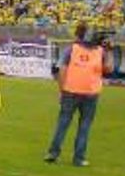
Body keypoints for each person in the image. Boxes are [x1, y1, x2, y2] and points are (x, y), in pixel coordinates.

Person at [45, 23, 115, 167]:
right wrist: (109, 51)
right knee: (84, 126)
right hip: (90, 93)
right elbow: (108, 68)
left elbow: (61, 70)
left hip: (71, 91)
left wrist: (62, 90)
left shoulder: (72, 49)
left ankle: (53, 153)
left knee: (63, 123)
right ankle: (79, 158)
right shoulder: (100, 51)